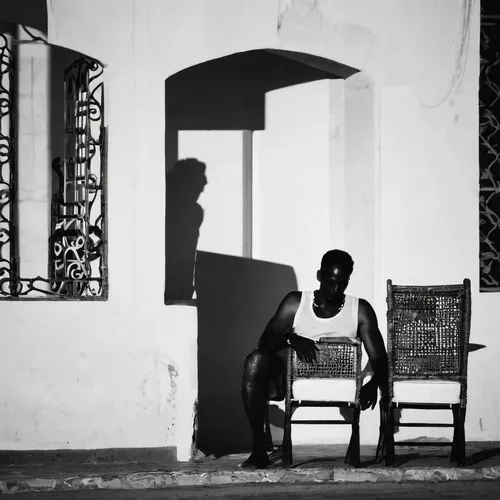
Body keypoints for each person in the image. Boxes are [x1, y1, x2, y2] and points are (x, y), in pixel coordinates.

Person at [240, 249, 388, 469]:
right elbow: (266, 342)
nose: (335, 289)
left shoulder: (360, 309)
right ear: (319, 276)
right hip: (293, 376)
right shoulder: (295, 302)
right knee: (254, 361)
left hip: (338, 378)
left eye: (342, 283)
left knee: (257, 359)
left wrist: (373, 384)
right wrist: (292, 338)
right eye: (330, 282)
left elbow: (379, 357)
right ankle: (259, 449)